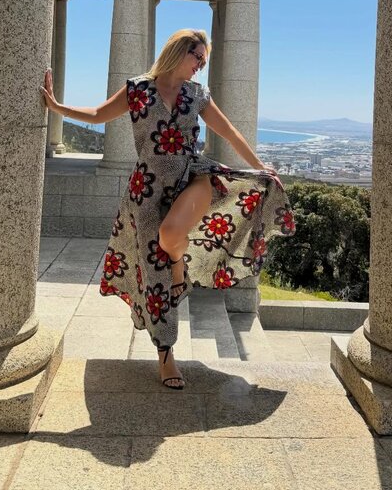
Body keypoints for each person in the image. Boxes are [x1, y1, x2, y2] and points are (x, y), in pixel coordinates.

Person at [40, 28, 296, 389]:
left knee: (171, 235)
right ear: (179, 51)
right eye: (197, 57)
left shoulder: (197, 95)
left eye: (204, 60)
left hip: (193, 176)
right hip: (147, 189)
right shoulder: (138, 90)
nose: (200, 66)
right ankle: (166, 355)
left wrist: (259, 165)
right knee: (154, 273)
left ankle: (179, 265)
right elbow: (98, 114)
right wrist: (57, 107)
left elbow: (229, 132)